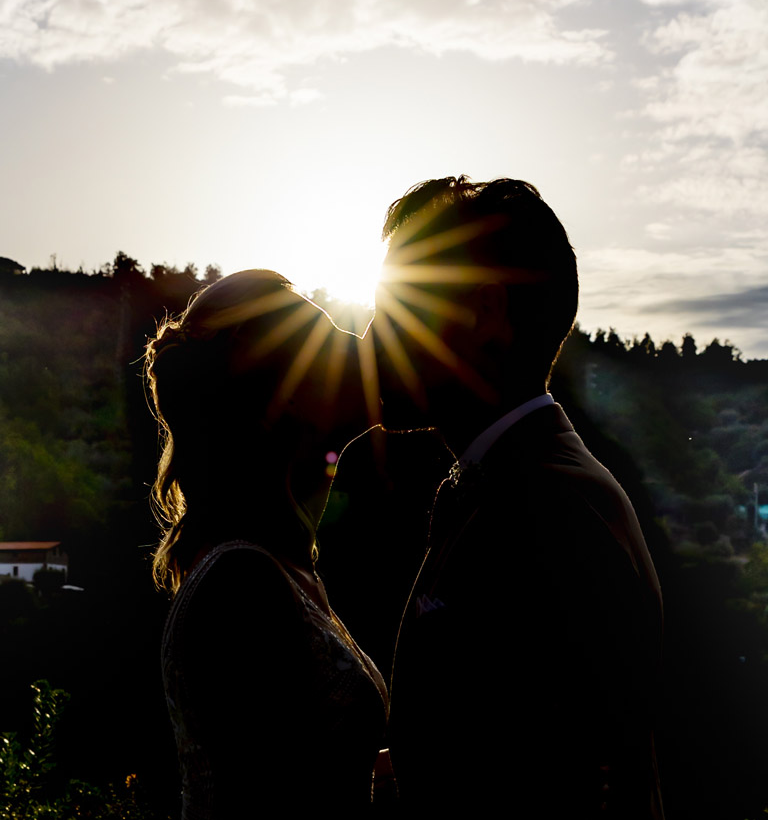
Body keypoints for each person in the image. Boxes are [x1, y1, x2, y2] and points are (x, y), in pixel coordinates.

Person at [373, 177, 664, 817]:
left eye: (395, 308)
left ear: (484, 315)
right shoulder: (513, 483)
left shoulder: (555, 509)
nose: (370, 336)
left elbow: (580, 782)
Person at [146, 270, 388, 817]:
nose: (361, 351)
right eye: (334, 345)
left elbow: (306, 762)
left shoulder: (279, 568)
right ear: (289, 396)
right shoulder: (242, 583)